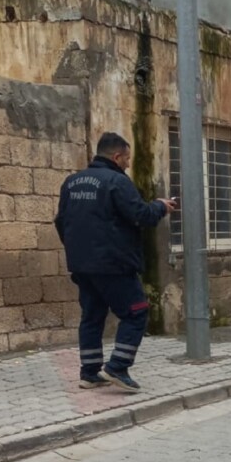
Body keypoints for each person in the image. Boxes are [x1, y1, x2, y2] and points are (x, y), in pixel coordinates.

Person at [54, 132, 177, 393]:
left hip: (82, 265)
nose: (129, 164)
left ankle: (89, 373)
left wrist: (77, 251)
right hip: (113, 264)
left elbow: (61, 222)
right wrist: (160, 206)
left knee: (92, 316)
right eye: (127, 159)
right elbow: (140, 215)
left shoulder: (71, 182)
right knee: (137, 312)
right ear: (116, 156)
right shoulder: (116, 181)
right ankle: (118, 367)